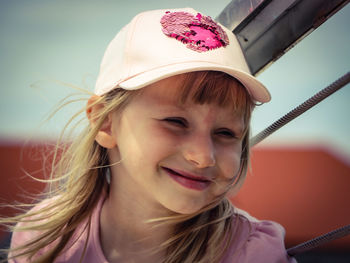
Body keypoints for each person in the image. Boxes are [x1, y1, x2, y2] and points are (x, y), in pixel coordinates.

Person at [4, 7, 296, 263]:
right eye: (176, 121)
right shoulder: (45, 238)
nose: (203, 156)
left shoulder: (252, 254)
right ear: (105, 123)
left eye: (225, 132)